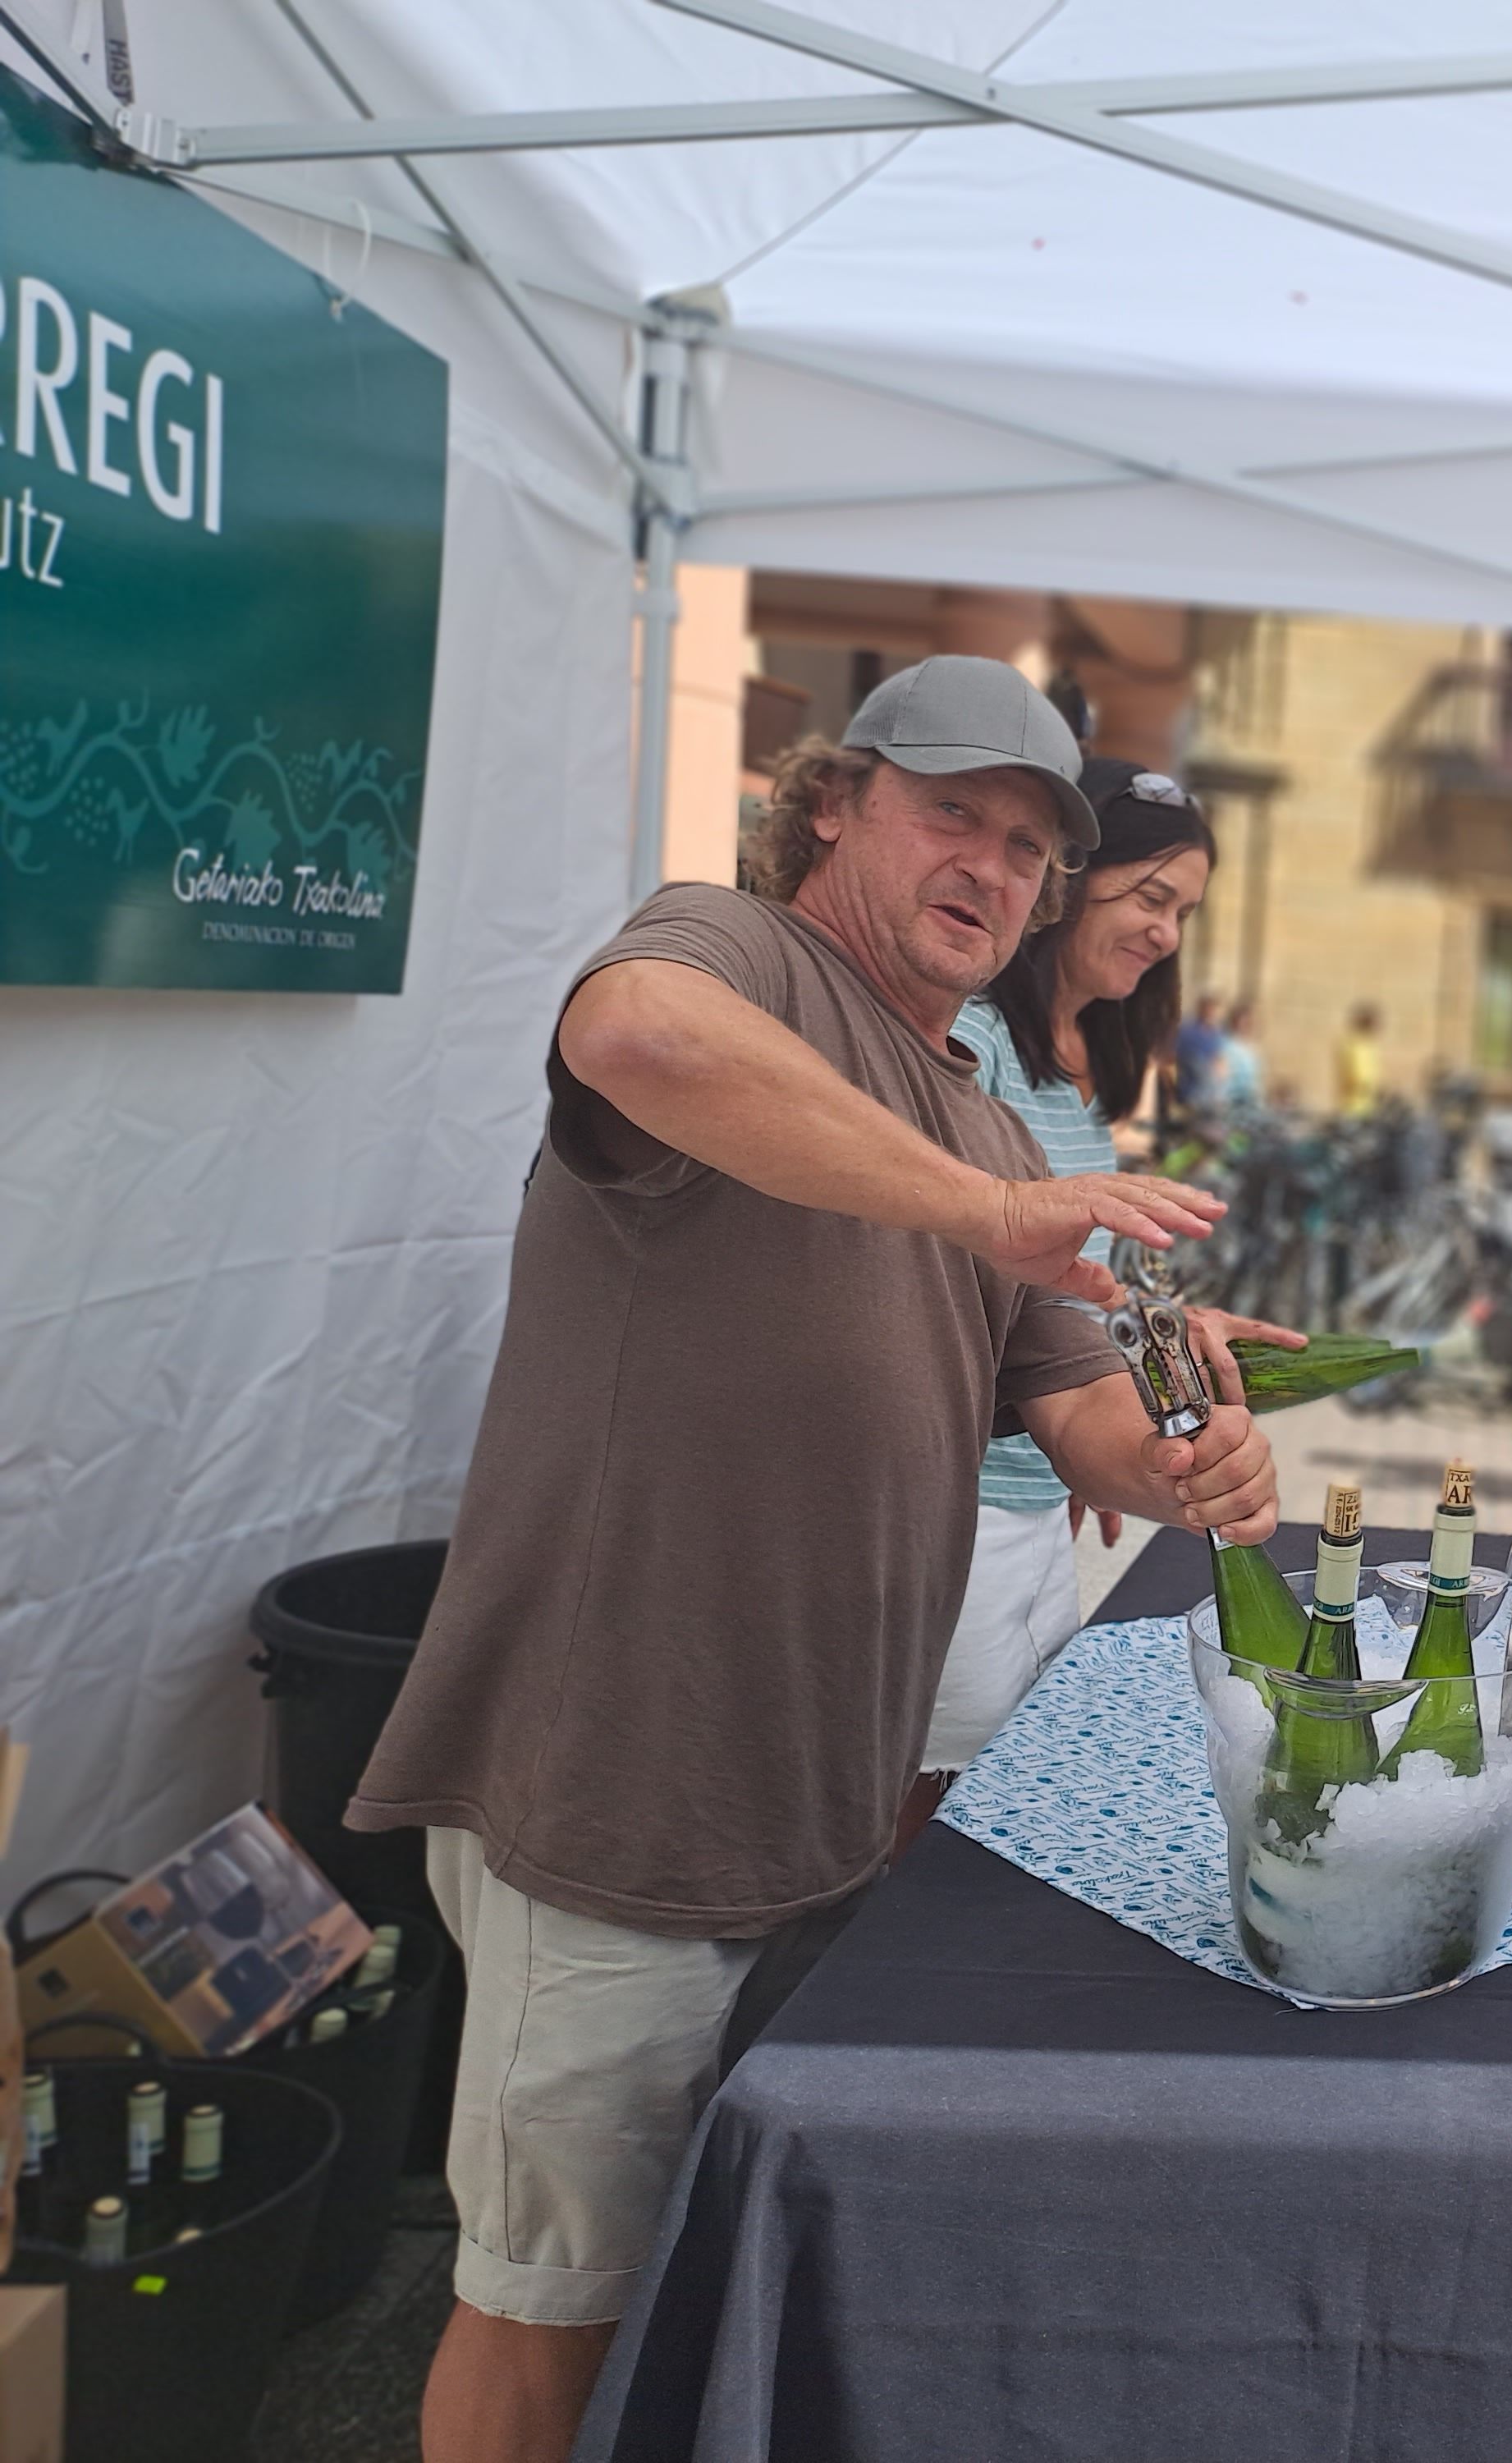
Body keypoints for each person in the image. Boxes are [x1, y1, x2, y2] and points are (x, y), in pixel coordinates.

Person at [345, 657, 1280, 2463]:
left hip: (827, 1806)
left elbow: (1080, 1413)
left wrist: (1193, 1451)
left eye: (1028, 847)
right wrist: (995, 1208)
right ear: (834, 803)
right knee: (543, 2309)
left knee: (710, 2271)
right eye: (953, 814)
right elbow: (632, 1035)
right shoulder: (737, 949)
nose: (992, 869)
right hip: (616, 1782)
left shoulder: (989, 1119)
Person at [928, 764, 1299, 1800]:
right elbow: (952, 1268)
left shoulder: (1083, 1060)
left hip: (1035, 1499)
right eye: (1150, 898)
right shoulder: (976, 1044)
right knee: (940, 1816)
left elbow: (1059, 1291)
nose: (1167, 935)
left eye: (1184, 913)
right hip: (955, 1516)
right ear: (1065, 883)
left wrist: (1155, 1351)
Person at [1171, 990, 1227, 1117]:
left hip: (1211, 1094)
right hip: (1191, 1093)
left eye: (1214, 1007)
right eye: (1209, 1006)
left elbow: (1219, 1059)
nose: (1211, 1011)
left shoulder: (1217, 1032)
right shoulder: (1187, 1031)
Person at [1216, 997, 1267, 1113]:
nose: (1248, 1024)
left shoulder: (1252, 1049)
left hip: (1251, 1105)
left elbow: (1256, 1081)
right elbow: (1220, 1078)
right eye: (1243, 1020)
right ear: (1234, 1021)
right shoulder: (1224, 1044)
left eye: (1250, 1020)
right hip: (1231, 1104)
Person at [1335, 1001, 1384, 1117]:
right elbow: (1358, 1074)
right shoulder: (1353, 1043)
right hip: (1355, 1105)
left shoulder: (1368, 1044)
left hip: (1369, 1105)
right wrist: (1368, 1086)